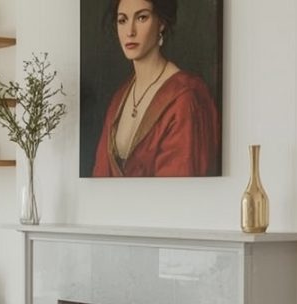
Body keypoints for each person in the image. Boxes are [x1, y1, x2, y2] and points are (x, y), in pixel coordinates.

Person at [93, 0, 219, 177]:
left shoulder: (185, 97)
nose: (130, 32)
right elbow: (100, 177)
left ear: (161, 23)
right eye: (122, 20)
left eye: (142, 18)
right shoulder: (119, 99)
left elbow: (180, 185)